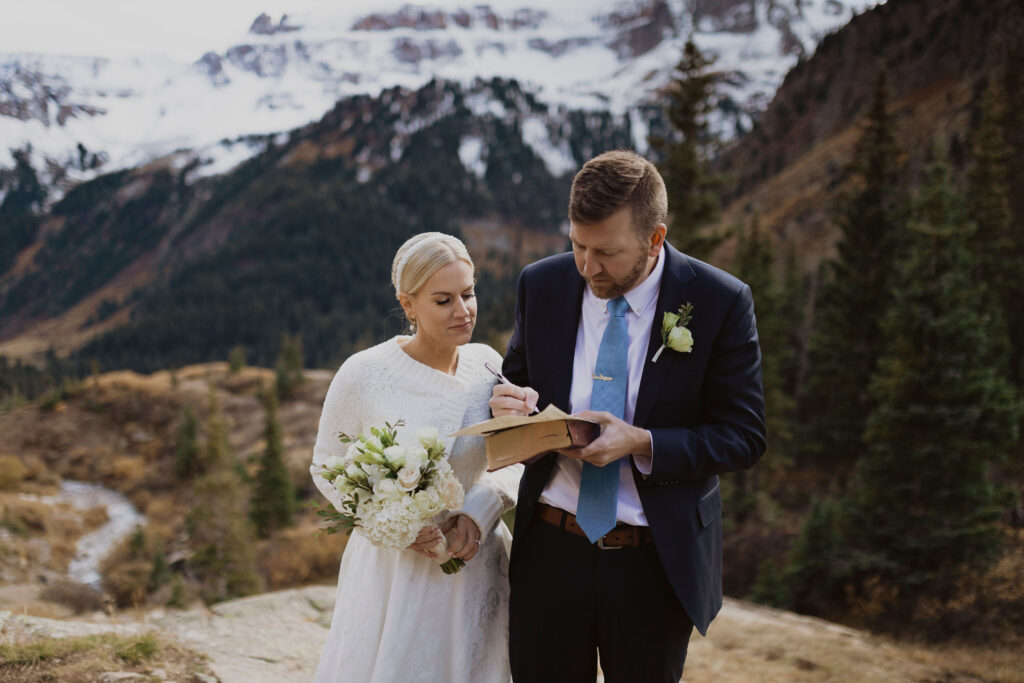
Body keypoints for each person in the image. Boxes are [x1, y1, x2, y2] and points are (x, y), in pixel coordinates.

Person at [490, 150, 766, 682]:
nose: (587, 266)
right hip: (549, 549)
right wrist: (507, 404)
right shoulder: (541, 284)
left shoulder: (719, 302)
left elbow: (744, 436)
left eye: (607, 252)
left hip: (653, 561)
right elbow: (513, 379)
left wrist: (642, 441)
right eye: (577, 245)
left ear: (655, 238)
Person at [311, 232, 520, 683]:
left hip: (475, 561)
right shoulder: (364, 374)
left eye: (469, 293)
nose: (463, 311)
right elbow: (327, 463)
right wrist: (393, 526)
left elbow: (515, 457)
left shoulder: (487, 365)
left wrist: (478, 512)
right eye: (444, 300)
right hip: (395, 572)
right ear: (408, 305)